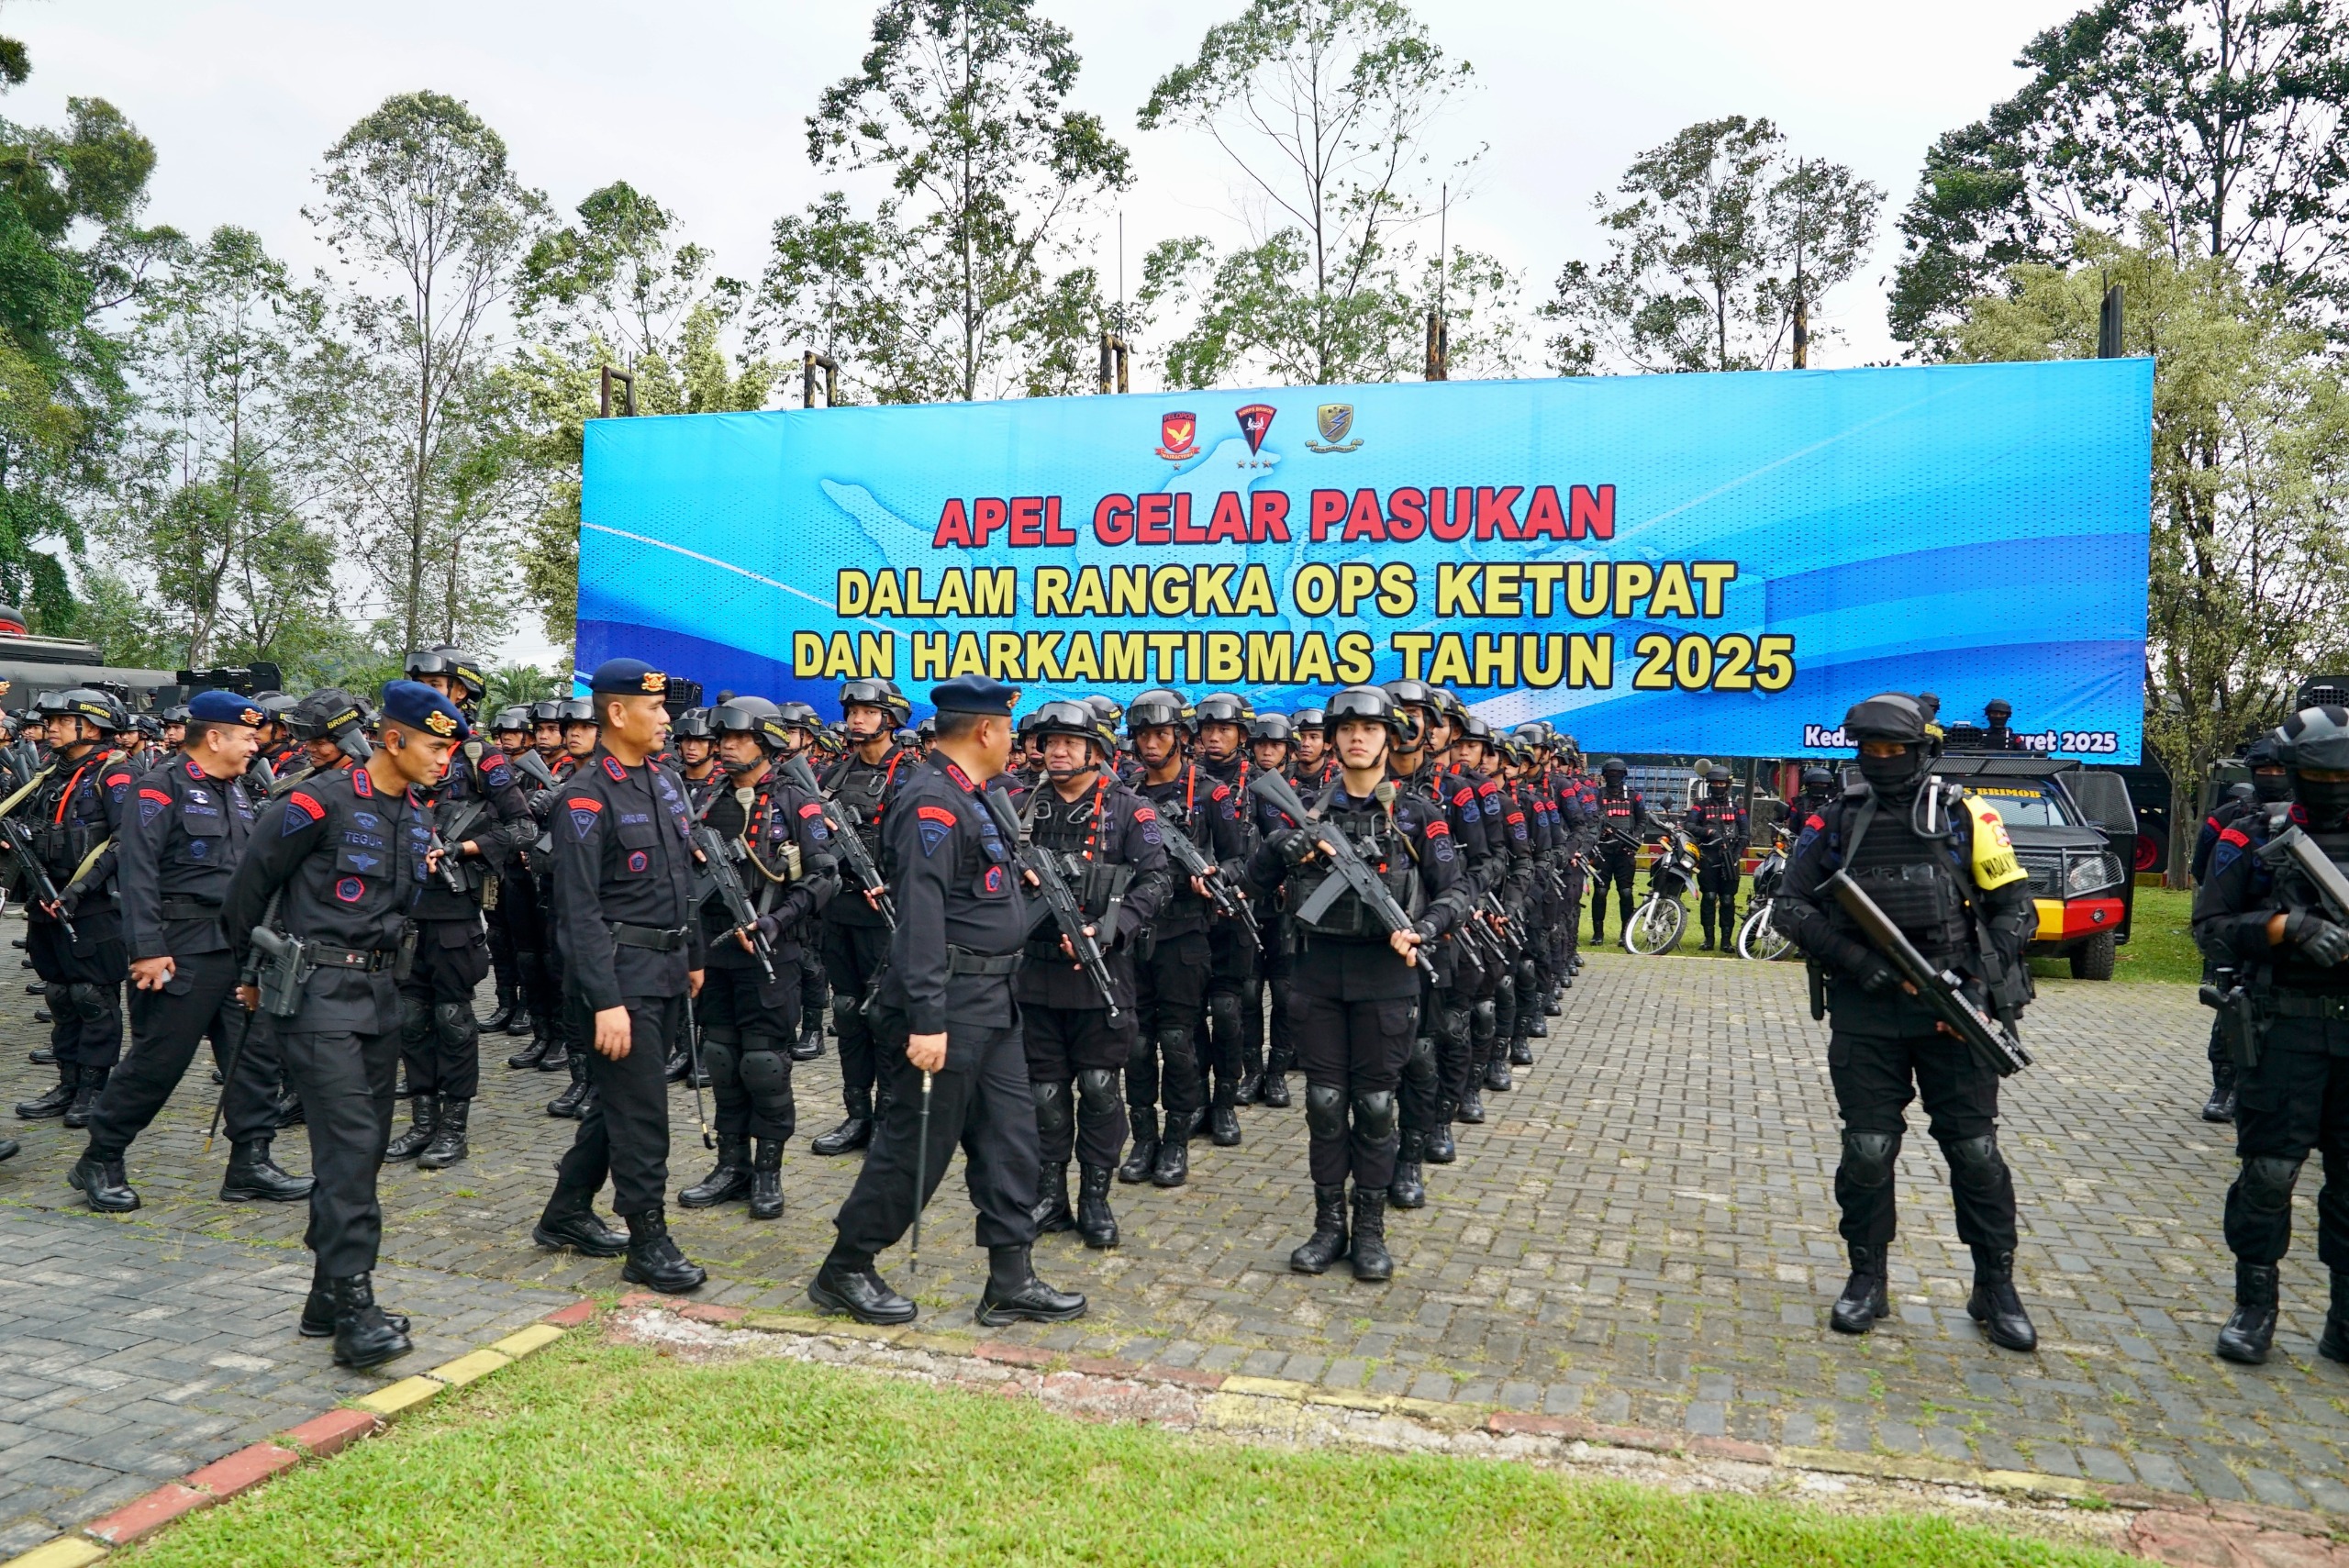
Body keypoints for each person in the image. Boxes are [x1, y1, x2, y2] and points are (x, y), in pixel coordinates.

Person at [808, 674, 1086, 1329]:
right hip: (949, 1005)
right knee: (916, 1147)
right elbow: (923, 918)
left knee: (1013, 1140)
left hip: (993, 1001)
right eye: (1010, 730)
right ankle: (846, 1267)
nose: (1015, 740)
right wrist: (928, 1020)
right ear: (987, 731)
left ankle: (1010, 1278)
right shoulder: (933, 800)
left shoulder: (976, 795)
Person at [1773, 692, 2040, 1351]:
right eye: (1872, 750)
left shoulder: (1966, 814)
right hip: (1869, 1012)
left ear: (1924, 751)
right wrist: (1858, 961)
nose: (1884, 761)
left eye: (1897, 750)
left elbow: (2016, 910)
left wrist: (1975, 985)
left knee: (1976, 1153)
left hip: (1955, 1012)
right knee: (1868, 1148)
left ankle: (1994, 1285)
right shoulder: (1834, 821)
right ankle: (1867, 1278)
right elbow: (1789, 907)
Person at [221, 679, 465, 1370]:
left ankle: (326, 1295)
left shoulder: (417, 817)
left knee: (358, 1147)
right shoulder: (315, 800)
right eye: (435, 744)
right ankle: (357, 1307)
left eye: (451, 747)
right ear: (393, 738)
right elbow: (248, 888)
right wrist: (250, 973)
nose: (445, 758)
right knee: (353, 1144)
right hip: (316, 993)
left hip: (381, 996)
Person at [1251, 685, 1469, 1282]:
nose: (1355, 737)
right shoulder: (1306, 808)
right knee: (1325, 1103)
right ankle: (1328, 1226)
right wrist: (1285, 849)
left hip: (1386, 978)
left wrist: (1424, 927)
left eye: (1368, 729)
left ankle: (1369, 1229)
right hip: (1317, 974)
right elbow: (1253, 876)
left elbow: (1457, 891)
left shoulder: (1417, 815)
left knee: (1375, 1107)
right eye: (1344, 728)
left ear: (1388, 739)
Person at [69, 692, 312, 1213]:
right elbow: (138, 872)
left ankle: (250, 1162)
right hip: (179, 950)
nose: (256, 745)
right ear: (216, 737)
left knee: (253, 1057)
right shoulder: (159, 788)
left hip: (236, 949)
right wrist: (147, 950)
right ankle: (101, 1156)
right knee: (159, 1061)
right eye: (248, 737)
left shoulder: (241, 790)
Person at [529, 658, 708, 1295]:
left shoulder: (661, 782)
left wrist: (693, 954)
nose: (667, 719)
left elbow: (682, 880)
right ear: (617, 712)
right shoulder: (585, 795)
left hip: (663, 966)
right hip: (618, 977)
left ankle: (567, 1212)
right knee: (643, 1113)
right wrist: (604, 1001)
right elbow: (577, 911)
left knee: (618, 1103)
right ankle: (647, 1237)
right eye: (656, 708)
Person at [2191, 705, 2349, 1366]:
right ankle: (2255, 1307)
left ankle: (2345, 1319)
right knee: (2269, 1174)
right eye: (2319, 775)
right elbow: (2210, 924)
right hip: (2283, 1027)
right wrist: (2287, 929)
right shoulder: (2255, 833)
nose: (2332, 787)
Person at [1010, 701, 1167, 1250]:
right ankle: (1049, 1194)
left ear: (1096, 752)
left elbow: (1156, 883)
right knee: (1045, 1092)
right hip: (1035, 975)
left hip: (1102, 972)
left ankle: (1094, 1197)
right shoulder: (1017, 806)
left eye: (1069, 743)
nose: (1055, 751)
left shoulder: (1129, 810)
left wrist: (1112, 928)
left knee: (1100, 1089)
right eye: (1049, 742)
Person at [675, 696, 838, 1220]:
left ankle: (768, 1171)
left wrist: (777, 920)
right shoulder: (706, 801)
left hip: (774, 950)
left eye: (737, 739)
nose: (724, 747)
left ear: (766, 741)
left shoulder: (796, 801)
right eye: (721, 739)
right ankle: (730, 1165)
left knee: (764, 1064)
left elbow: (825, 875)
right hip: (716, 949)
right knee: (721, 1058)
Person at [384, 647, 535, 1172]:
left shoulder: (479, 756)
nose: (429, 690)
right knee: (410, 1018)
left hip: (452, 908)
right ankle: (421, 1123)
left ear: (463, 692)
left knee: (452, 1019)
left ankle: (453, 1128)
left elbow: (522, 827)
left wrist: (462, 848)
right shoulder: (398, 748)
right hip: (403, 907)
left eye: (438, 683)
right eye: (421, 682)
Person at [1124, 689, 1246, 1186]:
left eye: (1160, 734)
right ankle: (1142, 1140)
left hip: (1187, 933)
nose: (1151, 744)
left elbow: (1243, 860)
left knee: (1177, 1040)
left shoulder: (1212, 793)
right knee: (1134, 1044)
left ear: (1180, 737)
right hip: (1134, 934)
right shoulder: (1125, 794)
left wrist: (1216, 875)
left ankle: (1175, 1142)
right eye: (1143, 735)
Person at [8, 689, 133, 1128]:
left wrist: (79, 891)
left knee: (92, 996)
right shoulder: (51, 773)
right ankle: (68, 1081)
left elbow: (124, 841)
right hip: (47, 898)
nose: (52, 727)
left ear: (93, 727)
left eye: (63, 720)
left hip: (92, 905)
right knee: (60, 995)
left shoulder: (115, 775)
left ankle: (94, 1088)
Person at [813, 677, 913, 1155]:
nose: (856, 718)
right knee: (847, 1012)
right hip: (841, 907)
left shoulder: (910, 774)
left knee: (886, 1016)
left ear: (890, 719)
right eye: (852, 710)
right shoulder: (832, 775)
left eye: (868, 712)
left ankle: (893, 1120)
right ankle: (858, 1115)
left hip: (887, 912)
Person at [2189, 737, 2293, 1121]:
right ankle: (2225, 1086)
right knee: (2234, 1007)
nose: (2271, 777)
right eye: (2264, 770)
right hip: (2242, 928)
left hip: (2302, 933)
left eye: (2279, 770)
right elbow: (2204, 865)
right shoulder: (2231, 818)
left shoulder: (2314, 821)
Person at [1589, 758, 1647, 944]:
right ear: (1605, 776)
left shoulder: (1633, 796)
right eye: (1610, 774)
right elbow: (1591, 820)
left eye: (1617, 774)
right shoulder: (1597, 796)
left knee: (1626, 892)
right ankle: (1598, 934)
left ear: (1624, 776)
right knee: (1600, 891)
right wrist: (1600, 832)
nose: (1614, 777)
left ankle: (1625, 933)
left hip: (1625, 851)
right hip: (1603, 851)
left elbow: (1642, 821)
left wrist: (1635, 839)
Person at [1688, 766, 1746, 951]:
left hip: (1730, 858)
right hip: (1708, 857)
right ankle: (1708, 939)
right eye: (1715, 784)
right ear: (1710, 785)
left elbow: (1745, 834)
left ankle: (1726, 941)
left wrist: (1737, 854)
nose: (1718, 787)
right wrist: (1708, 831)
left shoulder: (1737, 808)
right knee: (1709, 897)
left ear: (1727, 785)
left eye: (1721, 783)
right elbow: (1689, 825)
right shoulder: (1701, 806)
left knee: (1728, 899)